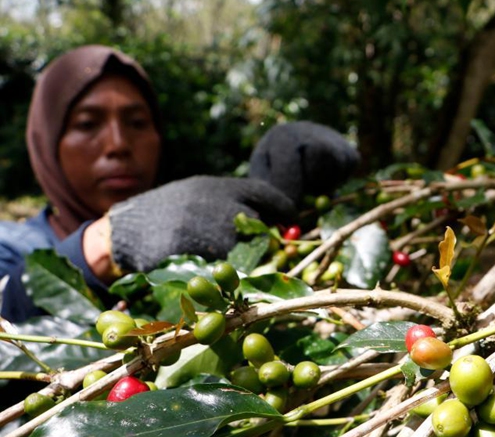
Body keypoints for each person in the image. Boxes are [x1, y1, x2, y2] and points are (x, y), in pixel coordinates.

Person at [0, 45, 359, 323]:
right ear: (47, 143)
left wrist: (291, 188)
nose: (118, 144)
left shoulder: (191, 235)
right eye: (87, 124)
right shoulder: (11, 247)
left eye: (138, 123)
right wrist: (107, 243)